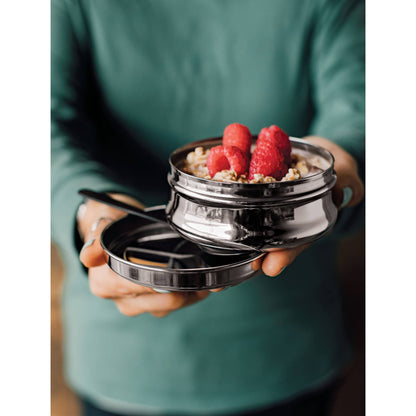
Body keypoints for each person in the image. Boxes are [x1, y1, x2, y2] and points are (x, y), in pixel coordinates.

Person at [51, 0, 365, 415]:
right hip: (124, 359)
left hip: (287, 353)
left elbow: (361, 108)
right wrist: (92, 217)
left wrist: (340, 163)